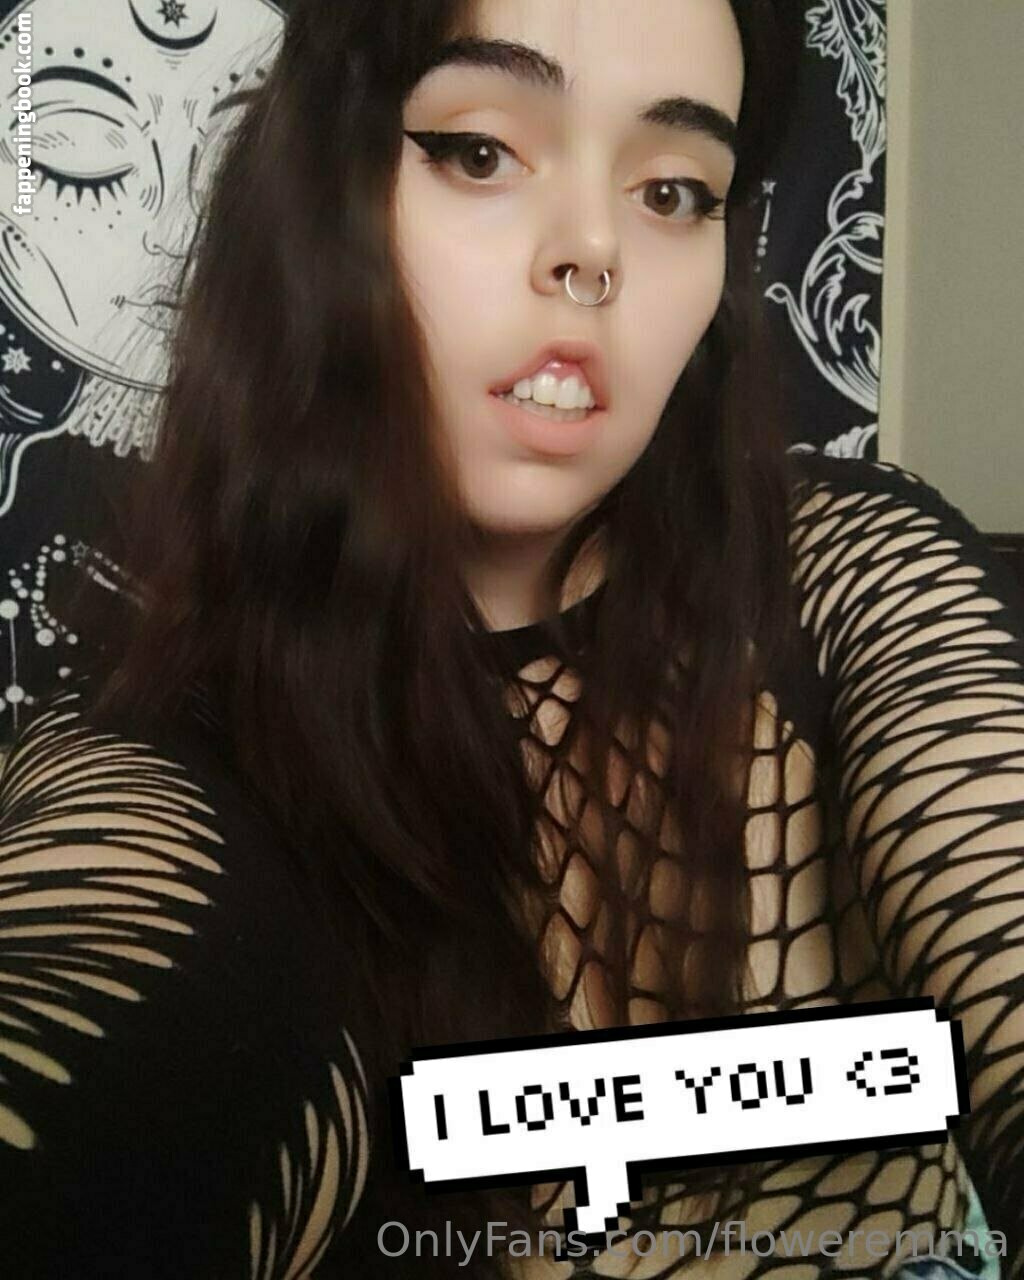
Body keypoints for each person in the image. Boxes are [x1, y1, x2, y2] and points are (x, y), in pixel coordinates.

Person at [0, 1, 1021, 1277]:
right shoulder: (170, 764)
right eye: (480, 152)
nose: (593, 251)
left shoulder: (847, 575)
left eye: (672, 190)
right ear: (318, 199)